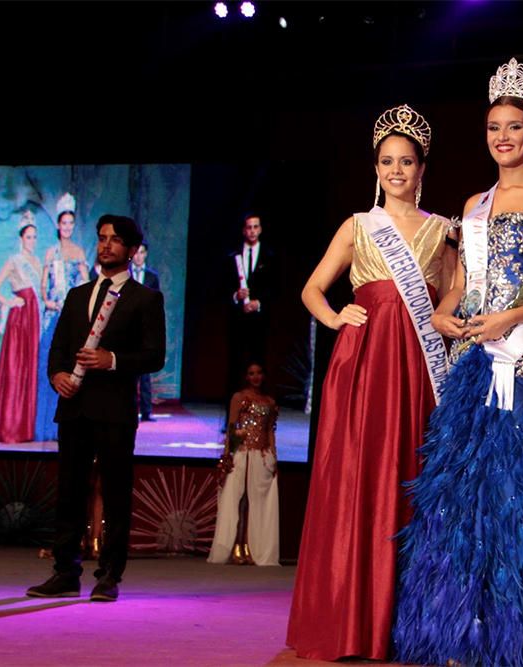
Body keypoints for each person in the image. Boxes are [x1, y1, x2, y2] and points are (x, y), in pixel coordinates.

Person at [392, 59, 523, 667]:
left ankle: (520, 638)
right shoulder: (473, 204)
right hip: (471, 359)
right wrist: (445, 314)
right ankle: (460, 631)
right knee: (462, 492)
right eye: (492, 127)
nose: (502, 136)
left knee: (512, 487)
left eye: (513, 127)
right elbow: (461, 286)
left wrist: (509, 320)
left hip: (518, 356)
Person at [286, 104, 455, 661]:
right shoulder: (358, 226)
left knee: (409, 476)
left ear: (422, 167)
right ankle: (349, 620)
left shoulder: (442, 231)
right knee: (358, 477)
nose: (397, 171)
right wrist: (337, 318)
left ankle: (404, 624)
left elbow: (455, 297)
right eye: (388, 162)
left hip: (416, 367)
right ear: (376, 168)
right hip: (362, 366)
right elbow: (313, 289)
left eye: (407, 161)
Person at [26, 214, 166, 603]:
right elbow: (57, 348)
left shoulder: (146, 298)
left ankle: (109, 576)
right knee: (68, 490)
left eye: (115, 240)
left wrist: (113, 360)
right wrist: (56, 375)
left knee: (116, 492)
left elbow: (155, 356)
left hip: (115, 410)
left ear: (132, 250)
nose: (106, 245)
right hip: (74, 407)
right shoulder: (76, 294)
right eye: (102, 238)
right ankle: (65, 571)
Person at [208, 362, 279, 566]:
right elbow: (231, 427)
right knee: (237, 501)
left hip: (261, 456)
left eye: (259, 373)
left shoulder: (269, 401)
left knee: (256, 503)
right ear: (246, 377)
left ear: (263, 376)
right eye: (251, 373)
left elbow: (270, 432)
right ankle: (234, 546)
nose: (255, 376)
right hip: (242, 454)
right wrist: (227, 454)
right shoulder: (239, 398)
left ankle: (253, 547)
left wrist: (273, 457)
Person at [35, 193, 90, 442]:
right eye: (63, 223)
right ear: (58, 225)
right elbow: (44, 284)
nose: (67, 227)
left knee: (71, 365)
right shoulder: (50, 252)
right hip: (52, 314)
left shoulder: (78, 251)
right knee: (51, 365)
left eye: (71, 223)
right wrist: (47, 299)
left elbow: (86, 282)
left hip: (72, 314)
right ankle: (45, 427)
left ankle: (69, 425)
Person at [0, 214, 42, 443]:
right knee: (16, 368)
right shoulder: (14, 260)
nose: (32, 241)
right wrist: (9, 302)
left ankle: (27, 426)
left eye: (35, 237)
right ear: (21, 238)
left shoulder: (37, 261)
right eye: (28, 237)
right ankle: (10, 426)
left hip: (35, 316)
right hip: (20, 320)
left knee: (31, 367)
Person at [226, 213, 276, 406]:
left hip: (259, 321)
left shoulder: (270, 256)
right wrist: (236, 296)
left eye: (256, 227)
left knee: (258, 364)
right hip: (238, 320)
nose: (252, 231)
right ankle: (232, 416)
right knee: (236, 366)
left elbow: (275, 288)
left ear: (260, 229)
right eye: (249, 227)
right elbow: (224, 287)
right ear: (243, 230)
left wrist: (259, 302)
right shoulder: (233, 256)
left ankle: (258, 412)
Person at [130, 241, 160, 421]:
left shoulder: (152, 277)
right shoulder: (125, 274)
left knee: (145, 371)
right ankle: (130, 407)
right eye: (136, 253)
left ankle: (147, 410)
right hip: (128, 328)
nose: (138, 256)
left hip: (146, 328)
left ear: (146, 254)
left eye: (142, 253)